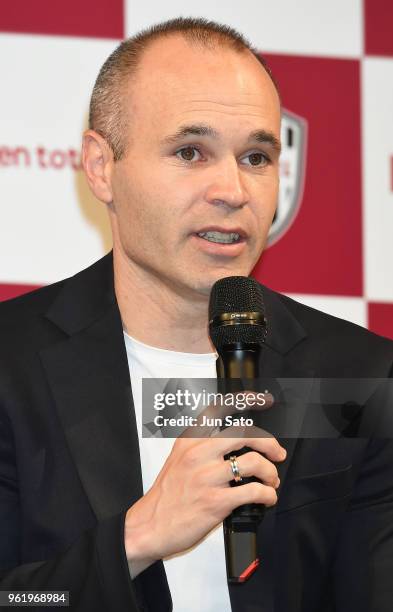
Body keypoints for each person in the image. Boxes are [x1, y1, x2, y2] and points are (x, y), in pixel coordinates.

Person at [0, 16, 393, 612]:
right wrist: (138, 538)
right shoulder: (11, 364)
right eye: (191, 151)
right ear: (102, 167)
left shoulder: (363, 375)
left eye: (257, 156)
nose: (233, 189)